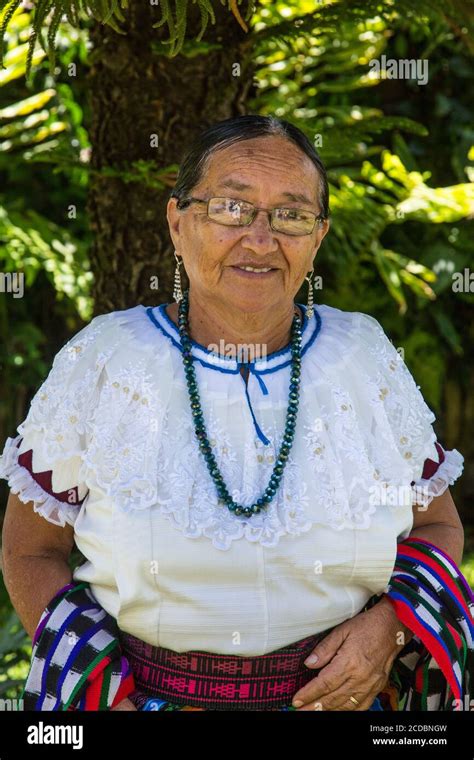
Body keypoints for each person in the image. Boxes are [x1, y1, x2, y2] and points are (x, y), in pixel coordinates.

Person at [1, 115, 472, 712]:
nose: (260, 237)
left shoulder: (363, 356)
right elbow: (29, 551)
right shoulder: (106, 359)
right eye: (231, 207)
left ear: (318, 236)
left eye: (292, 215)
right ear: (178, 222)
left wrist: (393, 628)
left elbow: (438, 526)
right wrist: (103, 700)